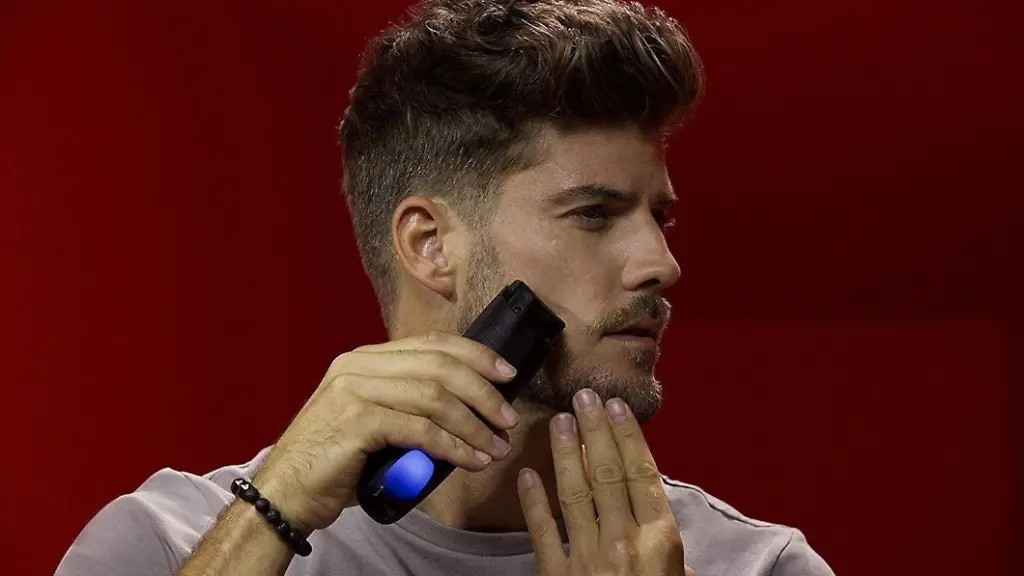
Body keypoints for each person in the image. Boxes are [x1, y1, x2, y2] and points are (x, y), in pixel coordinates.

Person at [56, 1, 834, 575]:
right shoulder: (163, 543)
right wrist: (271, 511)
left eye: (659, 217)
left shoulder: (761, 568)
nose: (660, 263)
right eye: (594, 214)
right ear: (431, 245)